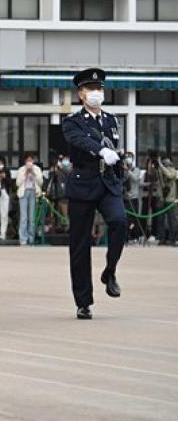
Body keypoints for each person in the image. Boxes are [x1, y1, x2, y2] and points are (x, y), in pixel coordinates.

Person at [61, 67, 125, 320]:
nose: (96, 93)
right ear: (81, 94)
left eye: (99, 89)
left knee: (119, 222)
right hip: (83, 183)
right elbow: (79, 141)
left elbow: (116, 149)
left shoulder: (111, 120)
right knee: (80, 246)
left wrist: (118, 172)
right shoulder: (72, 121)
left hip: (108, 183)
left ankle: (110, 271)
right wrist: (100, 151)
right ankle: (83, 301)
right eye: (91, 89)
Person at [16, 153, 43, 245]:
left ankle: (31, 238)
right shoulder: (21, 169)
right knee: (24, 217)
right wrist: (25, 174)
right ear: (25, 161)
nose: (29, 162)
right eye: (28, 160)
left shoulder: (37, 169)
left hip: (33, 192)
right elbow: (18, 183)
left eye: (31, 160)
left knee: (32, 217)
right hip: (24, 193)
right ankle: (23, 239)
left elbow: (41, 182)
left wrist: (33, 174)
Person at [121, 152, 144, 242]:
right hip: (125, 198)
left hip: (133, 198)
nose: (128, 159)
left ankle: (135, 236)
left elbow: (135, 179)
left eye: (130, 157)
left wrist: (128, 170)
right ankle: (125, 236)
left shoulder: (136, 170)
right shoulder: (123, 170)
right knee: (125, 218)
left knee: (134, 218)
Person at [46, 155, 71, 233]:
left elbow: (68, 174)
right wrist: (54, 170)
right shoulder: (55, 170)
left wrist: (61, 168)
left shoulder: (69, 170)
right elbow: (50, 178)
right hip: (55, 196)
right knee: (55, 215)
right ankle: (56, 228)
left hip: (64, 197)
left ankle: (67, 229)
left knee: (65, 214)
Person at [157, 157, 178, 246]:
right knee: (160, 220)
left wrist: (161, 165)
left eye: (167, 164)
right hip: (162, 199)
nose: (166, 166)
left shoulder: (174, 171)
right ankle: (162, 239)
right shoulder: (160, 171)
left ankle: (172, 239)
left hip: (171, 200)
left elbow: (170, 175)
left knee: (172, 221)